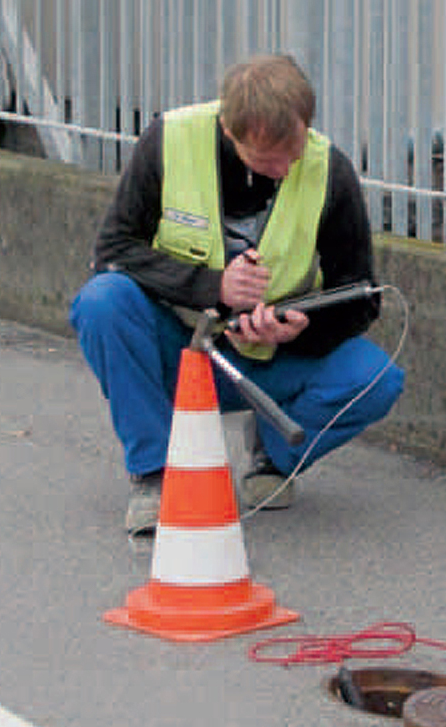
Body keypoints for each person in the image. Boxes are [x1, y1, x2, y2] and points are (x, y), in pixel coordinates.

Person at [69, 54, 405, 537]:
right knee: (102, 302)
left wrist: (300, 329)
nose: (284, 170)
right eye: (267, 160)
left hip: (272, 357)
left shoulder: (329, 169)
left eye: (293, 153)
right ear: (231, 131)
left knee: (377, 379)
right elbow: (114, 251)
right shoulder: (171, 139)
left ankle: (273, 450)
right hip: (183, 350)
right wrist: (214, 287)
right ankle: (155, 474)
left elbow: (361, 299)